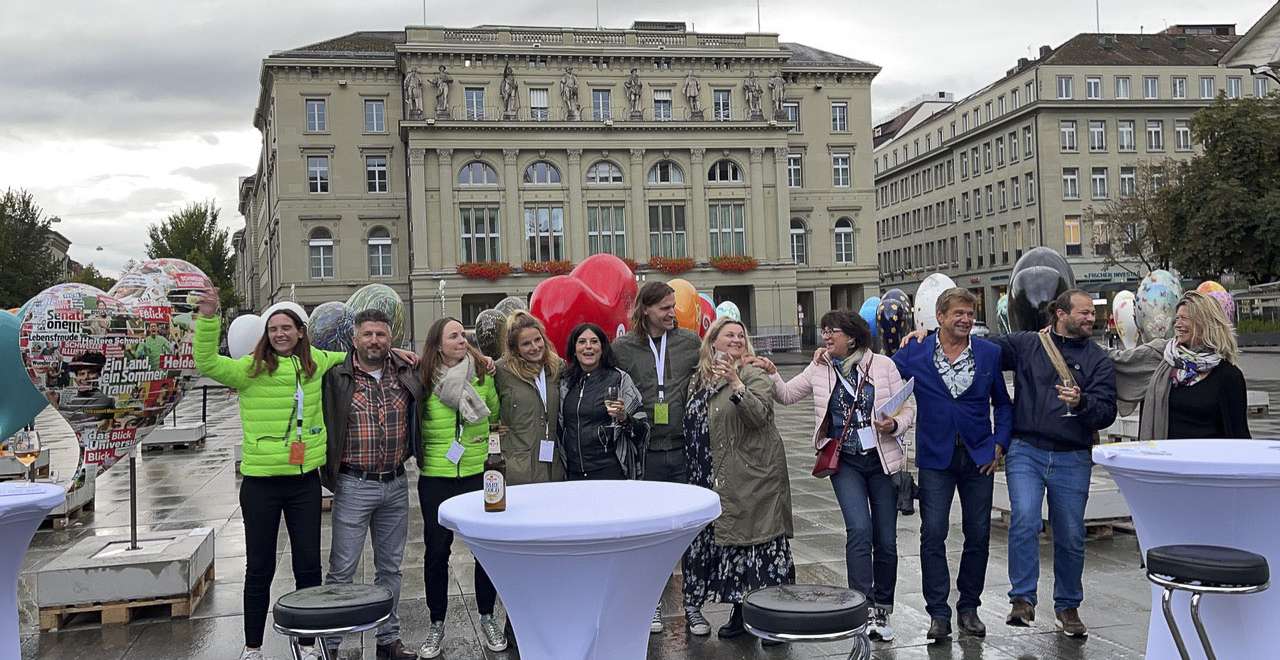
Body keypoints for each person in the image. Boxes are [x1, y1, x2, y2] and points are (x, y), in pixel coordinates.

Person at [906, 288, 1115, 637]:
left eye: (1092, 313)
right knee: (1014, 522)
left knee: (1067, 535)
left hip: (1060, 454)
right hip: (1012, 451)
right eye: (1084, 313)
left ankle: (1060, 606)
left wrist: (1080, 404)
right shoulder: (1025, 344)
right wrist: (925, 334)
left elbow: (1106, 411)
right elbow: (890, 373)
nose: (1090, 318)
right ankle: (1003, 602)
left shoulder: (1098, 359)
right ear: (1060, 314)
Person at [193, 291, 346, 660]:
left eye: (286, 328)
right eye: (273, 329)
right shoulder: (250, 369)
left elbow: (356, 356)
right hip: (261, 485)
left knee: (308, 566)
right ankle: (253, 647)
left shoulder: (316, 362)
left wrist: (399, 353)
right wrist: (209, 318)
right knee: (259, 568)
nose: (280, 334)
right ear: (266, 334)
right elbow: (207, 362)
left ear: (300, 332)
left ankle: (308, 645)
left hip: (304, 484)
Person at [753, 310, 913, 641]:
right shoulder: (820, 367)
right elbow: (787, 395)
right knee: (859, 530)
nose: (826, 336)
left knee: (885, 539)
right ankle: (862, 607)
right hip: (846, 462)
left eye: (832, 331)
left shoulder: (883, 366)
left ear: (852, 337)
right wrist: (772, 373)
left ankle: (882, 608)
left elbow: (908, 408)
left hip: (882, 462)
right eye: (824, 330)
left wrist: (895, 424)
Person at [890, 289, 1013, 641]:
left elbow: (1004, 404)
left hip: (978, 457)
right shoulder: (916, 351)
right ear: (940, 317)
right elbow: (880, 371)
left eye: (970, 314)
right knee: (932, 534)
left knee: (978, 533)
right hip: (936, 458)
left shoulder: (989, 353)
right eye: (958, 313)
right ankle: (938, 614)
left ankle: (969, 608)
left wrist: (1000, 443)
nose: (966, 319)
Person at [681, 318, 794, 644]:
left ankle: (771, 619)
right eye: (729, 334)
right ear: (712, 341)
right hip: (709, 475)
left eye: (741, 335)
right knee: (732, 547)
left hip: (750, 476)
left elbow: (758, 416)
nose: (736, 339)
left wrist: (735, 382)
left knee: (758, 546)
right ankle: (741, 613)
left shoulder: (753, 372)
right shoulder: (698, 379)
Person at [320, 309, 422, 660]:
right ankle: (331, 645)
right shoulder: (337, 376)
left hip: (395, 483)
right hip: (354, 484)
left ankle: (388, 640)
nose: (374, 341)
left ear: (391, 338)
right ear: (355, 339)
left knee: (390, 568)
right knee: (342, 570)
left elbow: (446, 359)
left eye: (381, 334)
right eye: (368, 334)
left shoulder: (406, 371)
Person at [612, 281, 701, 633]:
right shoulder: (623, 348)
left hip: (681, 449)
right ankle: (651, 603)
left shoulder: (689, 342)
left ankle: (693, 604)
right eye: (664, 307)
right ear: (645, 309)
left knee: (689, 531)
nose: (671, 313)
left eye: (673, 305)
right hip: (645, 452)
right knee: (649, 532)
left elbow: (719, 361)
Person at [414, 317, 506, 658]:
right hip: (436, 476)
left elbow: (494, 414)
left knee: (485, 549)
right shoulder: (423, 377)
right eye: (453, 336)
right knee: (437, 552)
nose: (461, 340)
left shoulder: (482, 373)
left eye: (463, 335)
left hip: (477, 473)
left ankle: (487, 616)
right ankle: (436, 622)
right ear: (437, 345)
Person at [1108, 290, 1249, 440]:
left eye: (1185, 319)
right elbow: (1118, 360)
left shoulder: (1229, 375)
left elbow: (1239, 432)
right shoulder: (1161, 357)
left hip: (1208, 454)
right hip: (1165, 453)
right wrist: (1089, 349)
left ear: (1205, 323)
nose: (1178, 325)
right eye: (1177, 319)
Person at [558, 323, 647, 480]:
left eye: (594, 341)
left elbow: (642, 429)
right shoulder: (565, 383)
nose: (588, 347)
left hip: (609, 471)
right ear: (574, 350)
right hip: (573, 473)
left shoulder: (619, 379)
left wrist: (624, 418)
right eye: (582, 342)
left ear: (602, 348)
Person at [495, 311, 566, 485]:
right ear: (515, 348)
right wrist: (492, 427)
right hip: (518, 468)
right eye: (526, 344)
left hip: (553, 465)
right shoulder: (501, 371)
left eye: (537, 340)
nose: (534, 347)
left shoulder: (557, 367)